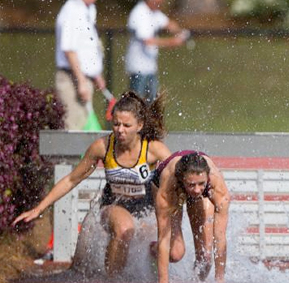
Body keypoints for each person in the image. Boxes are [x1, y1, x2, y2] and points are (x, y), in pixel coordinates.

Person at [13, 91, 172, 276]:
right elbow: (72, 179)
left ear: (140, 126)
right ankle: (112, 279)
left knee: (168, 246)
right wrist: (39, 208)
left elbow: (179, 173)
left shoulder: (153, 149)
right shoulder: (102, 147)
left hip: (146, 211)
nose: (120, 130)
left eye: (126, 125)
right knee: (124, 226)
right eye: (116, 124)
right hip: (112, 207)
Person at [153, 151, 230, 283]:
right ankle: (152, 250)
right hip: (173, 189)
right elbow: (164, 238)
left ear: (207, 178)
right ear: (183, 179)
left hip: (197, 183)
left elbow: (220, 238)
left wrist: (220, 280)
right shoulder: (168, 186)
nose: (196, 190)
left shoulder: (217, 187)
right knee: (175, 253)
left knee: (205, 258)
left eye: (201, 184)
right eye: (191, 185)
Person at [55, 0, 108, 130]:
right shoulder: (72, 11)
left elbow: (86, 47)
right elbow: (69, 49)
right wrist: (82, 81)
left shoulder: (87, 10)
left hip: (82, 78)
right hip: (72, 78)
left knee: (83, 126)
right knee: (73, 128)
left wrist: (95, 75)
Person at [125, 0, 189, 103]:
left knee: (153, 102)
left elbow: (168, 24)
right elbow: (147, 40)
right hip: (138, 66)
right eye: (158, 2)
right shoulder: (139, 13)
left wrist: (182, 32)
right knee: (136, 101)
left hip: (150, 66)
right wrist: (172, 42)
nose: (160, 5)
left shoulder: (153, 12)